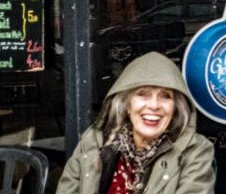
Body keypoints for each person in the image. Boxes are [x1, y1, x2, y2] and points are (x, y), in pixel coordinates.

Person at [57, 52, 215, 194]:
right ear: (126, 105)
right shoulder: (93, 141)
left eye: (165, 96)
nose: (154, 105)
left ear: (175, 108)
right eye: (143, 94)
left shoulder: (195, 152)